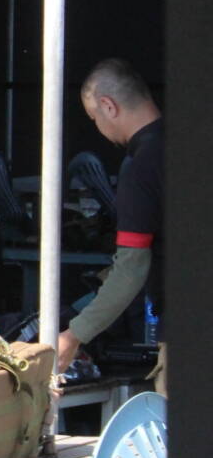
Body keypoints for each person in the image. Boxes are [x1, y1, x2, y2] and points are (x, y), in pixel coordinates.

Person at [56, 58, 165, 392]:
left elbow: (131, 267)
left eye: (94, 118)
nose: (98, 128)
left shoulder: (141, 166)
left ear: (108, 106)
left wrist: (74, 334)